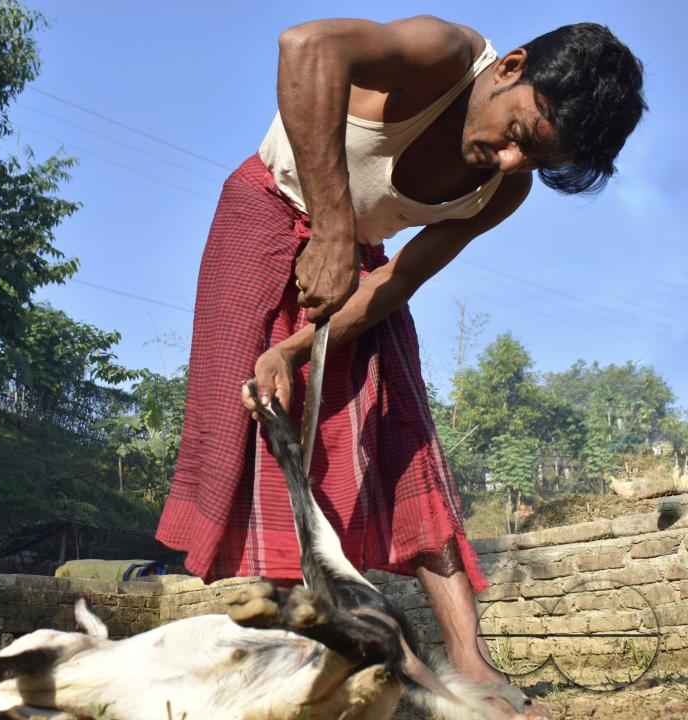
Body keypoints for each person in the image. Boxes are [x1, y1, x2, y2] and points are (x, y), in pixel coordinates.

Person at [155, 15, 645, 718]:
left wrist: (299, 345)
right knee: (265, 434)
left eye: (535, 161)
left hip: (360, 263)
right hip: (266, 214)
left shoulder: (502, 191)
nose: (510, 162)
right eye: (520, 136)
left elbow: (398, 283)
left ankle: (469, 661)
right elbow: (306, 47)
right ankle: (301, 650)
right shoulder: (442, 54)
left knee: (403, 434)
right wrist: (330, 230)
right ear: (508, 68)